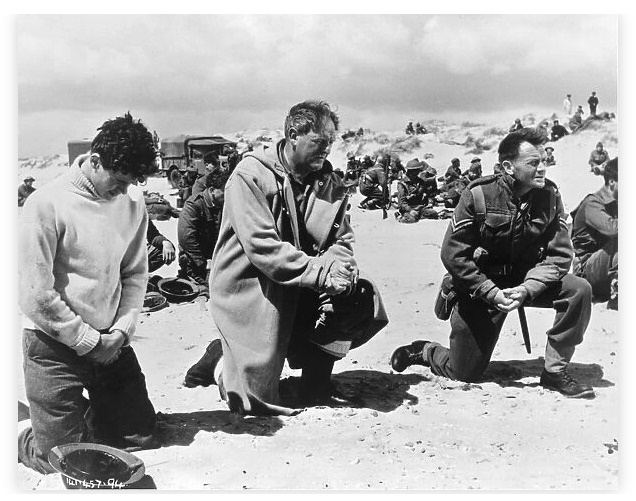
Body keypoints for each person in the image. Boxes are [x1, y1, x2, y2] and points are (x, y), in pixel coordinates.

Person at [183, 100, 388, 414]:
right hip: (255, 290)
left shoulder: (327, 183)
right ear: (294, 134)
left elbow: (341, 239)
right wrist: (322, 273)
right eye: (320, 142)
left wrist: (338, 266)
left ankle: (315, 381)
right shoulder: (250, 175)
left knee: (358, 298)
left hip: (301, 286)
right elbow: (263, 249)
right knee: (251, 401)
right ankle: (222, 361)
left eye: (331, 143)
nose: (327, 150)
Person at [390, 127, 595, 399]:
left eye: (544, 161)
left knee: (578, 290)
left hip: (524, 282)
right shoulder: (478, 195)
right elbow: (454, 254)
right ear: (509, 167)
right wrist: (490, 291)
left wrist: (528, 288)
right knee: (464, 372)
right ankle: (426, 351)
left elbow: (558, 256)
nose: (543, 168)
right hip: (481, 285)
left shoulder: (550, 196)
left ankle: (554, 371)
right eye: (534, 163)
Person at [17, 113, 159, 474]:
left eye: (132, 183)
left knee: (139, 439)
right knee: (62, 461)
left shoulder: (132, 203)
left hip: (111, 345)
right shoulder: (45, 204)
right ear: (95, 161)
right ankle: (21, 427)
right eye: (118, 181)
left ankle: (77, 415)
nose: (125, 191)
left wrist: (121, 332)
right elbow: (35, 294)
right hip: (53, 346)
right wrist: (85, 340)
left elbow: (135, 273)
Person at [571, 157, 618, 310]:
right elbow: (613, 229)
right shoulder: (592, 204)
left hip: (606, 269)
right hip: (586, 274)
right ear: (612, 182)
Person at [177, 168, 229, 299]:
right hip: (196, 259)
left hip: (214, 257)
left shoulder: (222, 205)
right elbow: (186, 238)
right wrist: (203, 263)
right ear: (212, 190)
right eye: (224, 192)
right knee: (213, 289)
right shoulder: (194, 205)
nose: (228, 195)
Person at [396, 158, 439, 223]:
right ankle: (399, 217)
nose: (418, 172)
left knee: (434, 214)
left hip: (419, 207)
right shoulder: (402, 184)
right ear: (411, 171)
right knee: (411, 220)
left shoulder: (420, 181)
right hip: (408, 208)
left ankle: (418, 215)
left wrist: (429, 201)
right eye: (417, 170)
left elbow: (427, 193)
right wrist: (410, 210)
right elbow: (401, 203)